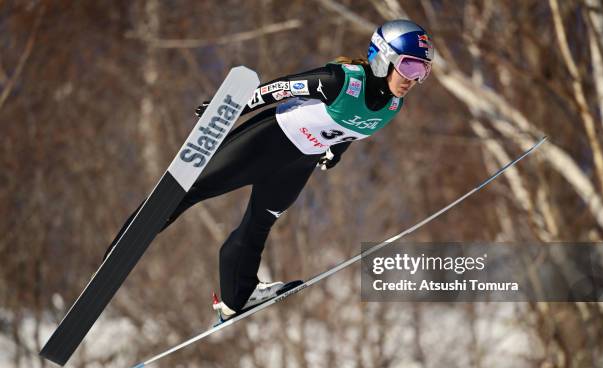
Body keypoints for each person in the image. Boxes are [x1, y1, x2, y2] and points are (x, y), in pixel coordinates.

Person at [106, 19, 434, 320]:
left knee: (259, 223)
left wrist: (334, 153)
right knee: (189, 188)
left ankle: (237, 297)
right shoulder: (341, 81)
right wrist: (233, 108)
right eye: (408, 66)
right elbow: (281, 88)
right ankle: (116, 256)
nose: (413, 79)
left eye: (422, 71)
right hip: (268, 140)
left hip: (298, 163)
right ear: (382, 56)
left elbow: (351, 129)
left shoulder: (393, 106)